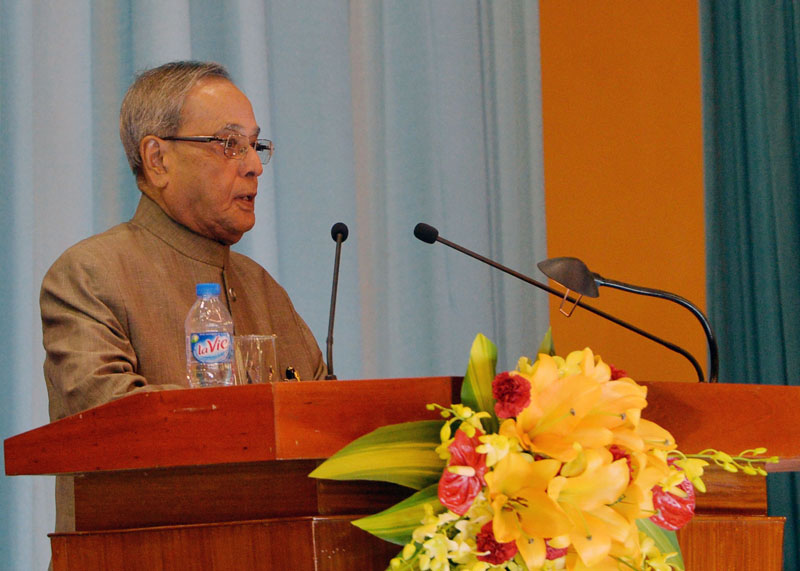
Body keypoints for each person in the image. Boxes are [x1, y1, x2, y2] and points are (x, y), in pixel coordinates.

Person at [40, 61, 325, 531]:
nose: (253, 165)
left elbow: (327, 427)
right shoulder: (90, 274)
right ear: (157, 159)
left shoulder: (264, 289)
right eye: (229, 144)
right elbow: (105, 420)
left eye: (255, 145)